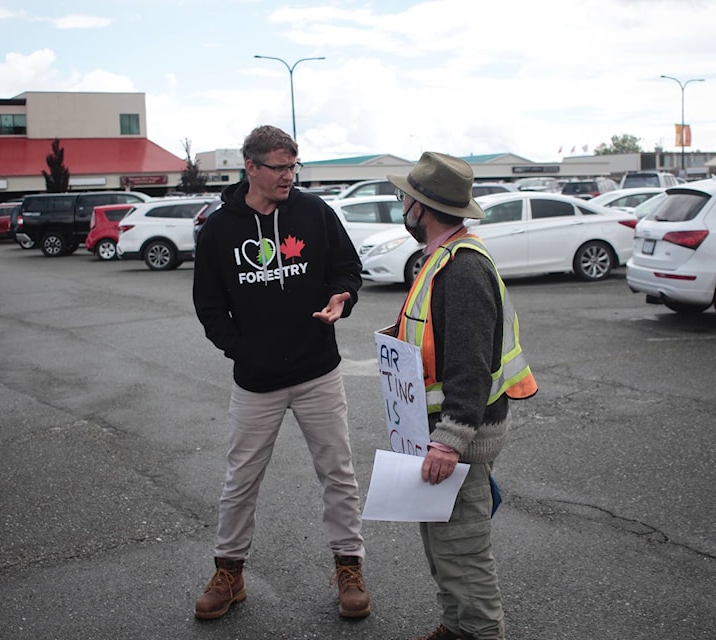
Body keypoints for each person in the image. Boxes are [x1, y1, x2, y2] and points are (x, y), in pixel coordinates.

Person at [191, 125, 370, 622]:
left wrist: (343, 298)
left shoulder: (314, 213)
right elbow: (208, 305)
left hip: (318, 371)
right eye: (279, 168)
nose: (289, 176)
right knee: (240, 479)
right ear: (251, 168)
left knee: (338, 473)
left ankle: (349, 568)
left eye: (294, 167)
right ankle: (229, 573)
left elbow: (346, 269)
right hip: (256, 381)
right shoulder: (220, 230)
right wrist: (242, 350)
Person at [386, 152, 538, 640]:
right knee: (442, 547)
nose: (401, 206)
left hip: (459, 441)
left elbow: (470, 366)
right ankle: (455, 628)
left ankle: (477, 632)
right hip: (436, 434)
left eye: (403, 199)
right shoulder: (441, 260)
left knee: (464, 553)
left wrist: (448, 443)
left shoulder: (464, 269)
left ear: (421, 208)